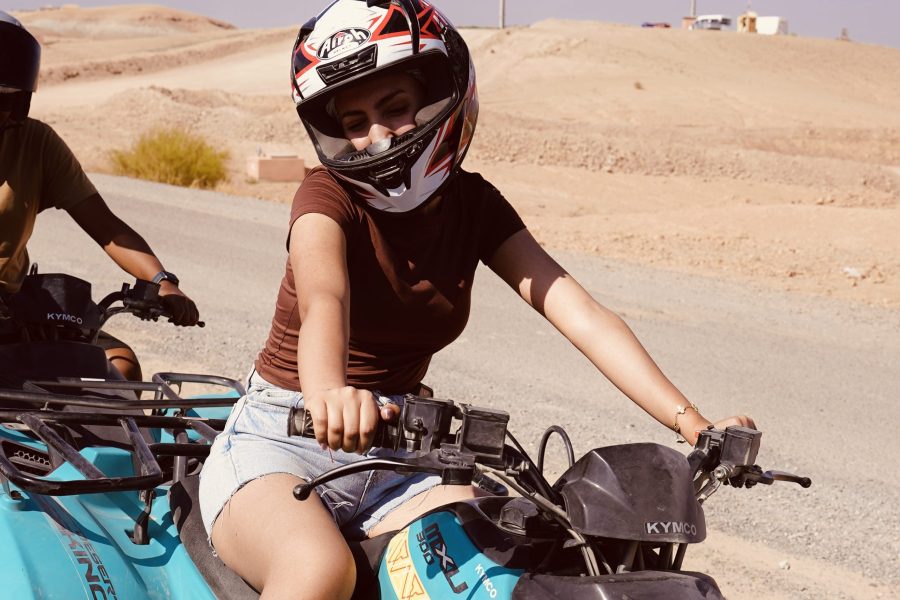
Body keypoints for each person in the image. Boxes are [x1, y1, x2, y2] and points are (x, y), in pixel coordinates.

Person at [199, 1, 755, 598]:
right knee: (316, 572)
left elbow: (578, 311)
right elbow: (322, 297)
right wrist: (330, 393)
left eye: (395, 107)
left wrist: (693, 424)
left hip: (397, 453)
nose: (377, 135)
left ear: (444, 94)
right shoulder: (327, 197)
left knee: (502, 558)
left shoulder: (474, 206)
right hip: (284, 438)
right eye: (354, 120)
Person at [0, 11, 199, 380]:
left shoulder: (35, 143)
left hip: (10, 314)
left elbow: (105, 227)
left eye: (5, 98)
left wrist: (162, 282)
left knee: (118, 367)